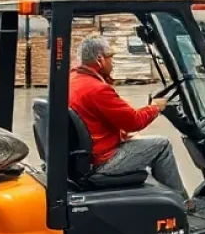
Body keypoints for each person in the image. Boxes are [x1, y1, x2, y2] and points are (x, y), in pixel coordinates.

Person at [69, 35, 191, 204]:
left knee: (141, 142)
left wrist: (121, 135)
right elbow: (134, 122)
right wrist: (155, 107)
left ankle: (161, 200)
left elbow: (96, 119)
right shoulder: (97, 89)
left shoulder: (73, 80)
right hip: (101, 162)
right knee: (162, 145)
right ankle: (181, 203)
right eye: (110, 57)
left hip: (84, 156)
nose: (113, 63)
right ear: (100, 60)